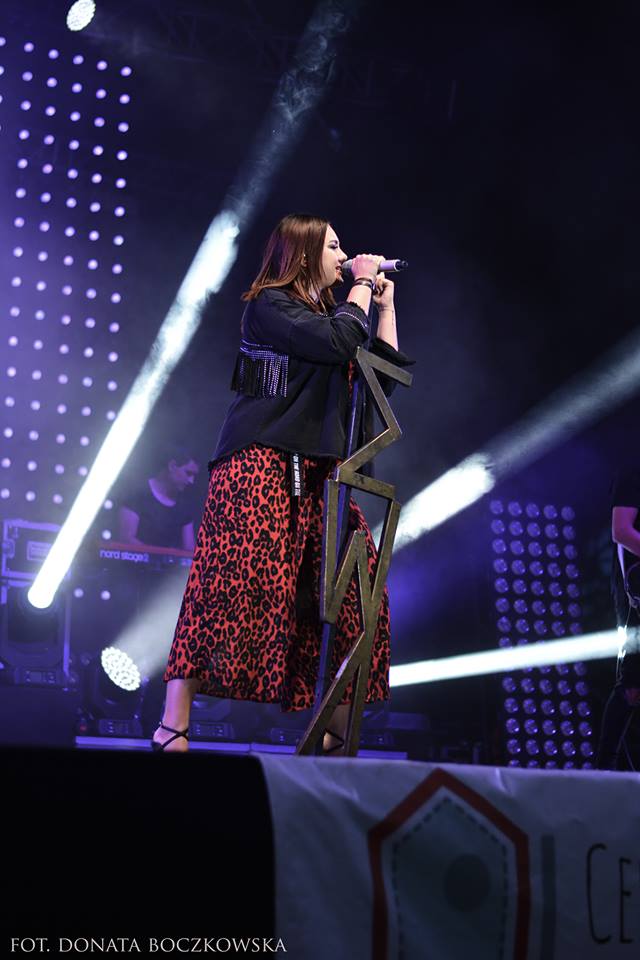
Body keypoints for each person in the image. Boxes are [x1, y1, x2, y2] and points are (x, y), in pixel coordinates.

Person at [151, 213, 413, 753]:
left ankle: (334, 738)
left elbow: (380, 381)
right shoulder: (270, 307)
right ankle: (173, 725)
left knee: (357, 594)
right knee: (228, 587)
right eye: (334, 247)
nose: (345, 257)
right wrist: (362, 285)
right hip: (259, 466)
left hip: (322, 478)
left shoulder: (337, 319)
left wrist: (383, 307)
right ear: (304, 253)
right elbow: (339, 341)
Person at [595, 468, 640, 769]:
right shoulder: (633, 474)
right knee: (633, 683)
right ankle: (604, 772)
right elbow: (621, 531)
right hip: (636, 589)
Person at [117, 444, 201, 552]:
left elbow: (189, 550)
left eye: (194, 476)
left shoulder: (185, 505)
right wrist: (163, 556)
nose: (191, 481)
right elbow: (126, 540)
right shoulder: (137, 493)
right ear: (172, 466)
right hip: (133, 562)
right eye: (188, 473)